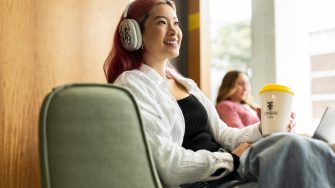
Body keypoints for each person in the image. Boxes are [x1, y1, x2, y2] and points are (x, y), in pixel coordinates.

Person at [103, 0, 335, 187]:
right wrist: (231, 159)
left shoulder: (186, 83)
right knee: (292, 147)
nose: (174, 30)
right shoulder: (132, 84)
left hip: (229, 164)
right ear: (133, 34)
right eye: (162, 22)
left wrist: (263, 128)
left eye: (176, 22)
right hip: (206, 179)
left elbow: (225, 135)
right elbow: (167, 163)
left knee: (300, 144)